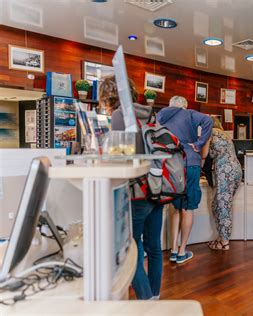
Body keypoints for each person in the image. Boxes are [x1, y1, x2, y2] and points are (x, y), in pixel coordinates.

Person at [100, 76, 163, 300]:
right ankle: (154, 296)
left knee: (131, 250)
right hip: (157, 188)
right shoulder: (147, 113)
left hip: (137, 193)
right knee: (154, 247)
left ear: (108, 95)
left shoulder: (119, 115)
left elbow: (121, 158)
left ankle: (146, 301)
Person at [156, 96, 212, 264]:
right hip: (190, 162)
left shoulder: (160, 115)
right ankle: (182, 251)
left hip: (171, 163)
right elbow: (208, 120)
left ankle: (172, 249)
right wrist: (200, 142)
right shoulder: (188, 114)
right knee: (187, 207)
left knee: (175, 206)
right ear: (184, 106)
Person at [201, 117, 242, 250]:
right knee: (218, 204)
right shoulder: (225, 135)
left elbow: (205, 154)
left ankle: (224, 242)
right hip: (236, 169)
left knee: (223, 205)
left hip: (225, 171)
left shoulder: (209, 132)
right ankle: (221, 237)